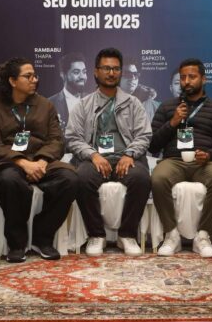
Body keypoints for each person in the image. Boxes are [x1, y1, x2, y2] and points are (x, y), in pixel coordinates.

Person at [0, 57, 78, 263]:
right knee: (9, 180)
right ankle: (17, 244)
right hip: (11, 163)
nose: (35, 79)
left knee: (70, 179)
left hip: (42, 160)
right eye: (28, 76)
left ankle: (43, 237)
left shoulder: (46, 105)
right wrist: (23, 163)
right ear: (12, 81)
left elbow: (57, 140)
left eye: (35, 75)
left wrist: (42, 161)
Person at [65, 48, 152, 256]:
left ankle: (127, 235)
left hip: (127, 158)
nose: (111, 73)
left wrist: (129, 154)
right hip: (95, 159)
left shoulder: (133, 103)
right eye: (106, 68)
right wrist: (93, 155)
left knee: (141, 179)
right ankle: (96, 235)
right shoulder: (83, 105)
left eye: (115, 69)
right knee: (82, 178)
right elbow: (72, 137)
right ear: (96, 72)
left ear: (120, 72)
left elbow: (144, 135)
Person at [149, 58, 212, 257]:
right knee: (158, 178)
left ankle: (203, 235)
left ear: (203, 79)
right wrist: (173, 122)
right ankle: (171, 235)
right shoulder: (167, 107)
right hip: (174, 160)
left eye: (192, 77)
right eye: (183, 77)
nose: (186, 81)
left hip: (205, 161)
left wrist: (210, 155)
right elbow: (152, 145)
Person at [48, 52, 87, 131]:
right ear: (63, 75)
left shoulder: (92, 100)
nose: (82, 76)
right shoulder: (50, 104)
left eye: (84, 72)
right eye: (76, 72)